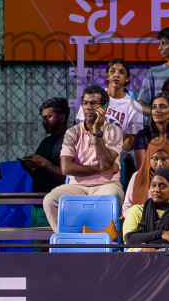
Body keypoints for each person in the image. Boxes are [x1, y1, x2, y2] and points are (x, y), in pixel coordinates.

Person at [42, 85, 122, 227]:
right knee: (50, 200)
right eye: (85, 103)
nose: (88, 107)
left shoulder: (114, 131)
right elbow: (66, 168)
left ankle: (105, 242)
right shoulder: (72, 132)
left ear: (105, 107)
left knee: (113, 196)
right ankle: (66, 240)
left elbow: (104, 163)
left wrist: (97, 131)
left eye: (93, 103)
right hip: (77, 186)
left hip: (106, 185)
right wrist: (99, 170)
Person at [20, 98, 69, 223]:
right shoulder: (46, 142)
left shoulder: (70, 141)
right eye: (43, 118)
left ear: (62, 117)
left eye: (48, 117)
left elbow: (69, 177)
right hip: (37, 204)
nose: (43, 122)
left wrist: (45, 163)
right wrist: (32, 168)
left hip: (56, 205)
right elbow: (41, 174)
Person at [122, 167, 169, 249]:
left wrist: (152, 247)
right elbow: (130, 238)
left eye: (162, 186)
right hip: (140, 256)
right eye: (153, 185)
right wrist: (161, 234)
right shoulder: (136, 210)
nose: (156, 190)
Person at [122, 135, 169, 212]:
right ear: (149, 158)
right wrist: (142, 217)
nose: (159, 164)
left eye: (164, 159)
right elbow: (126, 207)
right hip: (140, 221)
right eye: (155, 159)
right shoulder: (137, 177)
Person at [133, 92, 169, 174]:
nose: (157, 110)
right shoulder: (142, 135)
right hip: (148, 179)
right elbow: (143, 169)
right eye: (154, 107)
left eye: (163, 107)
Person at [102, 59, 145, 151]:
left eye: (121, 72)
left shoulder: (135, 107)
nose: (116, 75)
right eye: (112, 71)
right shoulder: (93, 98)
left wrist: (114, 158)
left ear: (127, 78)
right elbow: (82, 127)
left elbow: (130, 140)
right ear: (107, 76)